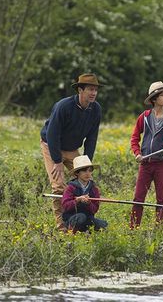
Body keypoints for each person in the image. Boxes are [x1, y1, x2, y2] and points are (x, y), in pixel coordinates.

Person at [40, 73, 103, 230]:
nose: (93, 93)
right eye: (90, 89)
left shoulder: (96, 110)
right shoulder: (63, 106)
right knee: (58, 186)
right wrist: (57, 161)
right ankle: (62, 226)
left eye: (95, 90)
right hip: (51, 145)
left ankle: (83, 221)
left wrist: (86, 164)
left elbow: (92, 138)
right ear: (80, 90)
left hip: (72, 148)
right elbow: (52, 134)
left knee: (86, 180)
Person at [130, 81, 163, 228]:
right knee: (138, 198)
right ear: (154, 99)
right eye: (162, 95)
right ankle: (133, 228)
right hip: (145, 164)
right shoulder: (144, 116)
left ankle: (159, 229)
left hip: (162, 164)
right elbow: (135, 138)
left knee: (161, 198)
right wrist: (137, 153)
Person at [61, 155, 107, 233]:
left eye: (90, 171)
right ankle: (71, 231)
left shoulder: (94, 189)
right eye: (84, 171)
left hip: (88, 218)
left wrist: (89, 203)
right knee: (81, 217)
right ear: (77, 173)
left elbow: (94, 209)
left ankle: (86, 232)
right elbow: (65, 205)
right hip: (72, 217)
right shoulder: (70, 188)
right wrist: (77, 200)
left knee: (103, 224)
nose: (88, 174)